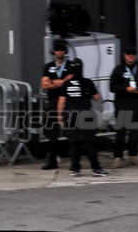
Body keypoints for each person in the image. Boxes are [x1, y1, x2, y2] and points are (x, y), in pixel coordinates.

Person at [58, 60, 107, 177]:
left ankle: (75, 168)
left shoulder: (66, 83)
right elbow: (97, 98)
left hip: (70, 114)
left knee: (74, 142)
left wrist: (59, 116)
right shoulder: (88, 83)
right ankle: (96, 168)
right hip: (85, 114)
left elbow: (61, 101)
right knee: (90, 142)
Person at [108, 46, 138, 168]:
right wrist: (126, 89)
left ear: (136, 55)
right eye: (128, 53)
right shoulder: (119, 69)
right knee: (121, 131)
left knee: (134, 131)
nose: (131, 56)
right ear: (124, 55)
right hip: (122, 104)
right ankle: (118, 157)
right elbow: (112, 87)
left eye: (133, 53)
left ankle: (133, 155)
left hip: (137, 104)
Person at [39, 40, 74, 170]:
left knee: (71, 132)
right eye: (57, 49)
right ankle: (51, 161)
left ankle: (74, 162)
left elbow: (69, 82)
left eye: (62, 49)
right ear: (53, 51)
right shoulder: (48, 66)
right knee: (52, 134)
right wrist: (61, 82)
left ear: (65, 51)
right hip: (53, 102)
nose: (60, 51)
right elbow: (44, 84)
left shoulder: (70, 65)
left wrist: (53, 82)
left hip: (67, 101)